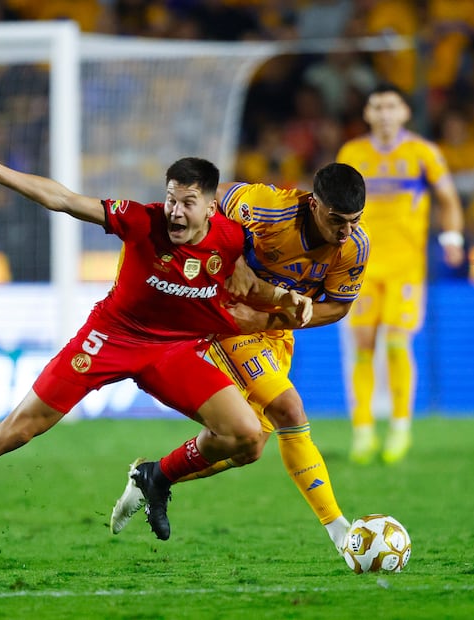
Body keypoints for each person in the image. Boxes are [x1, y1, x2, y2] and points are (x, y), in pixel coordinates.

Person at [0, 134, 314, 568]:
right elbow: (64, 200)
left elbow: (250, 286)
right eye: (170, 199)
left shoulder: (231, 239)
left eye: (186, 202)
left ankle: (156, 477)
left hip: (172, 350)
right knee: (18, 429)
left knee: (246, 436)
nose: (174, 211)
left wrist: (282, 297)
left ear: (209, 206)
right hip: (110, 338)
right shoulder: (140, 220)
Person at [110, 162, 370, 551]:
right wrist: (231, 261)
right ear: (314, 204)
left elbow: (338, 307)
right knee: (289, 410)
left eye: (354, 220)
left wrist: (279, 316)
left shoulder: (355, 247)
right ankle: (341, 533)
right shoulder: (266, 207)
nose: (345, 230)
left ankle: (155, 475)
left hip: (272, 329)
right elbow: (214, 199)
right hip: (227, 319)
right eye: (337, 220)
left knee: (248, 446)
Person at [336, 83, 465, 465]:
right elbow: (332, 205)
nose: (385, 113)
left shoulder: (422, 153)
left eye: (392, 106)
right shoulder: (353, 153)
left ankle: (399, 428)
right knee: (363, 345)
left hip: (406, 268)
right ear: (367, 114)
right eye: (377, 106)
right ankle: (362, 432)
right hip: (360, 265)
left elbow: (448, 198)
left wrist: (453, 236)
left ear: (405, 113)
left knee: (396, 342)